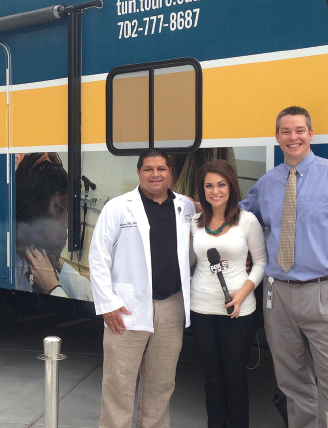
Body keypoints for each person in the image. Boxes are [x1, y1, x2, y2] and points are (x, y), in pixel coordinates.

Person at [240, 106, 328, 428]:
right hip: (278, 298)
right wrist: (195, 205)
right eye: (286, 131)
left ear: (311, 134)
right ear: (277, 137)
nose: (293, 137)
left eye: (299, 130)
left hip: (324, 294)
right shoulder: (267, 183)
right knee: (292, 385)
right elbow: (238, 215)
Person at [89, 148, 196, 428]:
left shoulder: (186, 207)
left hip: (171, 307)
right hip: (126, 309)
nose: (155, 174)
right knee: (119, 383)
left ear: (170, 172)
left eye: (161, 168)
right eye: (148, 169)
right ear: (138, 173)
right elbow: (98, 257)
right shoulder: (118, 207)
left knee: (161, 385)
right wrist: (107, 304)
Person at [190, 159, 267, 428]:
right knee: (212, 379)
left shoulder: (247, 221)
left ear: (231, 186)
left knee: (234, 378)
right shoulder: (194, 223)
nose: (215, 191)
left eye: (221, 184)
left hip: (238, 311)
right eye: (209, 185)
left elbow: (260, 263)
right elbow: (188, 261)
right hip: (202, 309)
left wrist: (244, 292)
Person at [15, 152, 92, 301]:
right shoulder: (10, 269)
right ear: (33, 211)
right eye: (59, 208)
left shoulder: (48, 266)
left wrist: (51, 286)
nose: (67, 222)